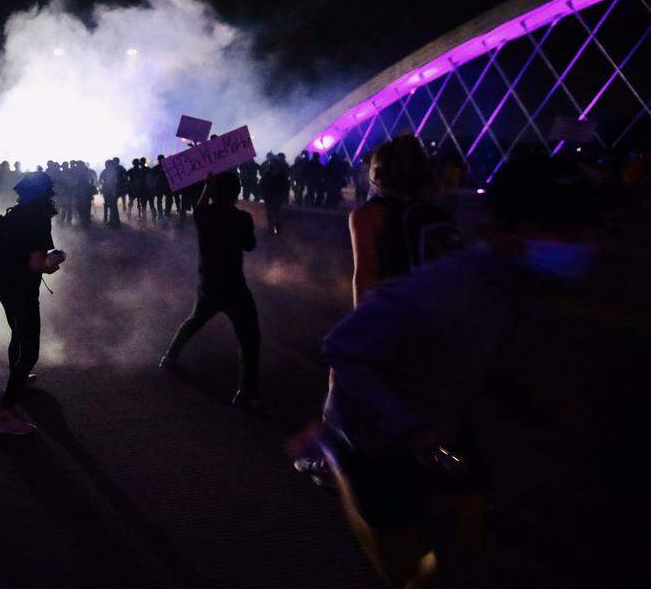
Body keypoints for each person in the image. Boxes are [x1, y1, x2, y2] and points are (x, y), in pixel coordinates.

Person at [313, 151, 618, 588]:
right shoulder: (445, 288)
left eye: (587, 228)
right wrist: (409, 430)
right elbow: (342, 347)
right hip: (374, 441)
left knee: (463, 560)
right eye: (563, 230)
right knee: (405, 574)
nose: (582, 243)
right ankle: (333, 457)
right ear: (507, 233)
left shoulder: (525, 284)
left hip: (445, 430)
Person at [160, 172, 264, 412]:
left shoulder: (204, 214)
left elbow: (200, 206)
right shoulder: (242, 218)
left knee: (195, 320)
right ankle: (246, 392)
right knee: (250, 337)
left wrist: (208, 186)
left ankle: (170, 356)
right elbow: (250, 245)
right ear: (236, 191)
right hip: (234, 284)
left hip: (208, 281)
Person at [0, 171, 63, 435]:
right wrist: (52, 265)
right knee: (30, 350)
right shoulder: (38, 219)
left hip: (6, 287)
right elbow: (36, 263)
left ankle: (17, 382)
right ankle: (4, 415)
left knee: (17, 337)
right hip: (22, 290)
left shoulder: (14, 214)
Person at [349, 135, 460, 305]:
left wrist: (363, 326)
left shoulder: (367, 215)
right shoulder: (433, 211)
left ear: (378, 173)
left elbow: (365, 275)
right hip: (435, 309)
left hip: (395, 311)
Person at [259, 152, 290, 235]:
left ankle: (274, 229)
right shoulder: (278, 175)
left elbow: (262, 185)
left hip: (273, 196)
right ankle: (274, 229)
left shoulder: (269, 175)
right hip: (272, 196)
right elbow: (262, 185)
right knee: (274, 212)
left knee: (274, 212)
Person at [100, 159, 121, 227]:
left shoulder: (113, 172)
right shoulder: (109, 171)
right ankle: (113, 221)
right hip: (108, 191)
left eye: (108, 164)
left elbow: (116, 182)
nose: (107, 166)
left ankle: (114, 222)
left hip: (112, 191)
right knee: (112, 207)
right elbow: (101, 180)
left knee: (112, 207)